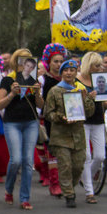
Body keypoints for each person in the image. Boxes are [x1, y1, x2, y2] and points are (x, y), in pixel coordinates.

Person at [44, 59, 95, 208]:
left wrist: (86, 99)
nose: (69, 73)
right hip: (61, 135)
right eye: (66, 70)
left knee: (78, 165)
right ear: (62, 73)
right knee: (65, 165)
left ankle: (69, 187)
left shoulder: (80, 89)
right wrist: (61, 117)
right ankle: (69, 194)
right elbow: (48, 113)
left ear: (75, 72)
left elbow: (90, 112)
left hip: (78, 135)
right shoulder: (55, 91)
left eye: (72, 70)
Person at [0, 49, 44, 210]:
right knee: (16, 159)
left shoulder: (34, 79)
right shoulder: (7, 80)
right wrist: (12, 93)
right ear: (17, 62)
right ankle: (9, 189)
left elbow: (40, 105)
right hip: (12, 123)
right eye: (22, 60)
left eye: (29, 61)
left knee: (28, 160)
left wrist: (37, 93)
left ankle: (25, 198)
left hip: (31, 122)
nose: (26, 65)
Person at [78, 52, 107, 203]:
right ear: (89, 65)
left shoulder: (101, 80)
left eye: (100, 65)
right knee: (87, 156)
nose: (100, 68)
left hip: (98, 121)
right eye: (97, 65)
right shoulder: (78, 80)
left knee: (100, 156)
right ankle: (89, 192)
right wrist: (87, 98)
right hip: (83, 121)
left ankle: (85, 177)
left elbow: (105, 103)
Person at [39, 43, 67, 196]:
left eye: (60, 61)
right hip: (49, 121)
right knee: (53, 152)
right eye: (55, 61)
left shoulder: (69, 79)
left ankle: (64, 182)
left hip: (67, 121)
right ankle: (54, 183)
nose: (58, 64)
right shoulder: (43, 80)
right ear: (48, 62)